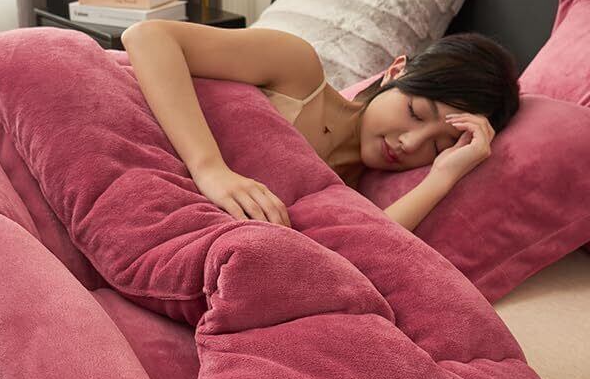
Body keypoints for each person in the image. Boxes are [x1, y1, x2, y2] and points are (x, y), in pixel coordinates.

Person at [121, 21, 519, 232]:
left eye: (437, 147)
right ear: (396, 71)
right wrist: (210, 168)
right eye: (415, 112)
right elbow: (148, 36)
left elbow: (372, 246)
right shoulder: (297, 70)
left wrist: (444, 175)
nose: (410, 143)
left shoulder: (350, 191)